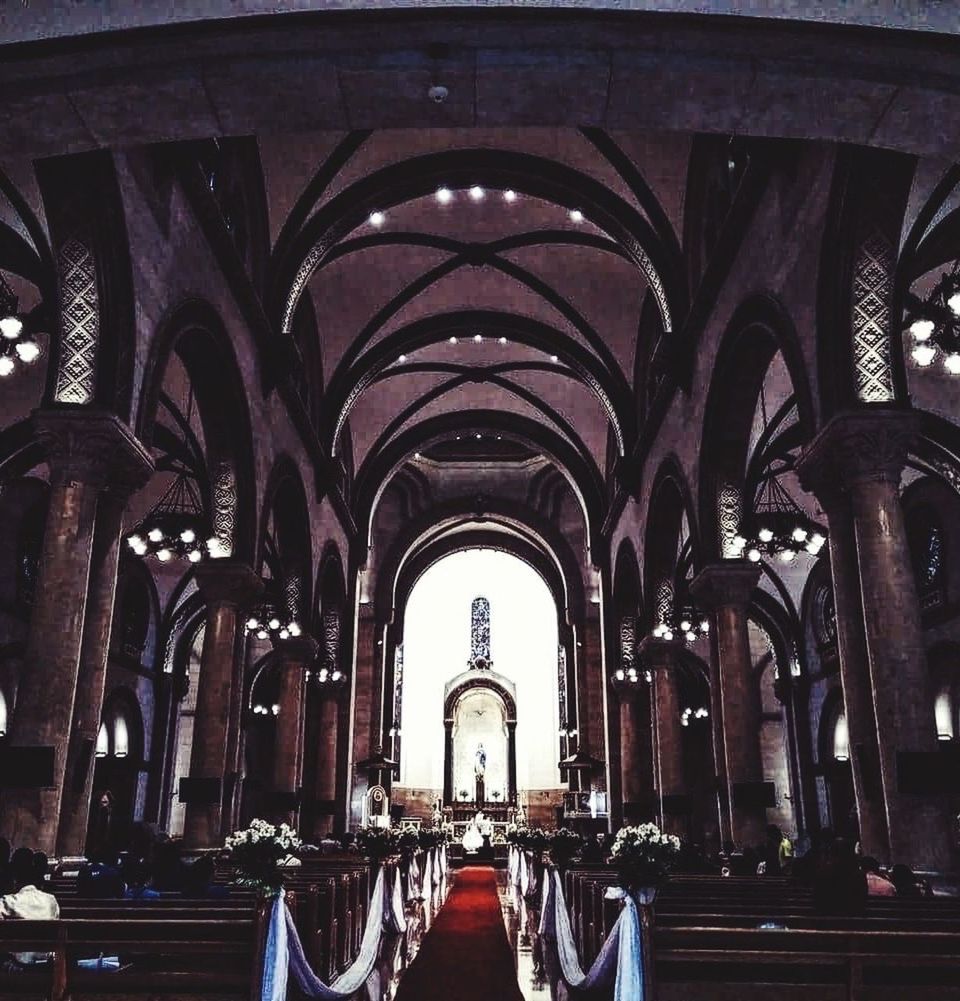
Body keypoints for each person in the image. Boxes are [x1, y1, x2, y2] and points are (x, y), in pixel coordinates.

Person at [0, 850, 60, 967]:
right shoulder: (51, 901)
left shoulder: (8, 902)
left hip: (15, 966)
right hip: (43, 965)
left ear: (14, 878)